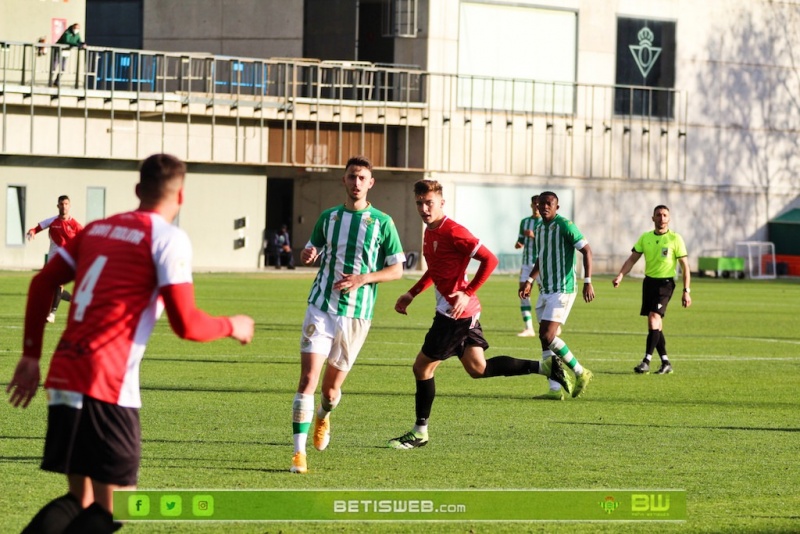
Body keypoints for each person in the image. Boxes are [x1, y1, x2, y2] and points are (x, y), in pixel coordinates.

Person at [6, 154, 255, 533]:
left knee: (81, 500)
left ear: (138, 190)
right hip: (106, 386)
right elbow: (186, 323)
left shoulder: (99, 229)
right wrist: (232, 325)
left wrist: (29, 355)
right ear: (181, 196)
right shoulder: (167, 239)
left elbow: (43, 283)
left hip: (64, 377)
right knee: (120, 507)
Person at [387, 180, 573, 450]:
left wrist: (468, 291)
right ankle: (544, 367)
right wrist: (412, 293)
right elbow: (436, 269)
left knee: (422, 368)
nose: (424, 208)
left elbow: (490, 259)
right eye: (419, 203)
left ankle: (420, 432)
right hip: (464, 313)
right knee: (478, 368)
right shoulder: (431, 231)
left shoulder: (454, 231)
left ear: (441, 203)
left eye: (429, 203)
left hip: (454, 315)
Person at [291, 155, 405, 474]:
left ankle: (323, 417)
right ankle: (298, 454)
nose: (356, 182)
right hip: (320, 306)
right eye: (351, 176)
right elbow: (312, 250)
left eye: (362, 178)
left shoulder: (383, 223)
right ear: (344, 180)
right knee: (307, 381)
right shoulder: (328, 218)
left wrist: (363, 278)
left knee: (329, 391)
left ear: (370, 184)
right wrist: (308, 253)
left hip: (356, 315)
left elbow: (397, 269)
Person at [519, 191, 594, 400]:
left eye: (549, 204)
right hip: (545, 289)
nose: (544, 207)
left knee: (547, 335)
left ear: (556, 207)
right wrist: (530, 280)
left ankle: (581, 372)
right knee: (544, 341)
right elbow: (541, 258)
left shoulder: (565, 225)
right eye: (541, 203)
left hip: (563, 289)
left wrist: (588, 282)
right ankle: (554, 389)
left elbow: (587, 251)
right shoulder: (539, 228)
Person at [612, 205, 692, 374]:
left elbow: (685, 266)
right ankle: (666, 363)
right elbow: (632, 260)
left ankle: (646, 361)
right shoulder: (645, 238)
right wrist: (620, 276)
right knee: (656, 325)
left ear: (669, 219)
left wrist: (686, 290)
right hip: (649, 283)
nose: (662, 218)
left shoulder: (675, 239)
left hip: (666, 284)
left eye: (665, 215)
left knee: (653, 318)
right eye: (658, 215)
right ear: (653, 218)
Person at [27, 195, 84, 323]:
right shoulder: (52, 221)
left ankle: (52, 313)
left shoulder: (75, 225)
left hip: (67, 259)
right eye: (61, 204)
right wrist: (31, 231)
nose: (64, 206)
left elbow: (85, 238)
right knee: (51, 288)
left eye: (66, 204)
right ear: (58, 206)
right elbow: (36, 228)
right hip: (53, 259)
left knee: (58, 283)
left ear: (69, 206)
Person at [514, 195, 541, 337]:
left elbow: (549, 242)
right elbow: (520, 240)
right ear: (531, 205)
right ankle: (529, 328)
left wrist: (534, 236)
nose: (537, 206)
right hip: (526, 263)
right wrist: (519, 244)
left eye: (539, 204)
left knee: (545, 295)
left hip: (541, 264)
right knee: (523, 293)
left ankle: (551, 324)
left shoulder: (545, 222)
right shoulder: (525, 222)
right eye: (534, 204)